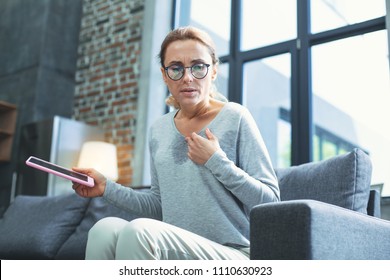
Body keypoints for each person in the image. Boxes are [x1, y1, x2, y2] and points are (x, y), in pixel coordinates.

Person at [72, 26, 280, 260]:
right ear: (164, 74)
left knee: (139, 232)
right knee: (104, 229)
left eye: (198, 66)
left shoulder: (236, 117)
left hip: (233, 253)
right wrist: (106, 188)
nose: (188, 78)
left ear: (213, 71)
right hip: (173, 246)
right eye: (176, 69)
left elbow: (270, 201)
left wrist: (217, 161)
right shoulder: (158, 130)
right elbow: (159, 205)